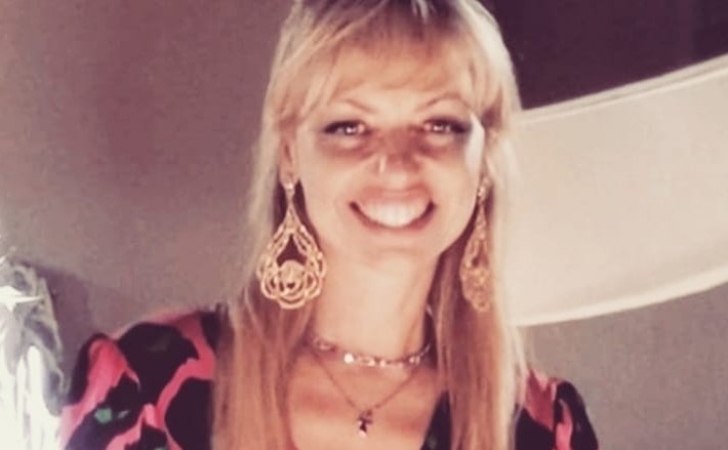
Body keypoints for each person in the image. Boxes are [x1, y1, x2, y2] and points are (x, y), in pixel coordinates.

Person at [60, 1, 599, 449]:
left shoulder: (544, 429)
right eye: (349, 126)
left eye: (439, 124)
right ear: (290, 154)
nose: (397, 165)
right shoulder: (146, 386)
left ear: (484, 160)